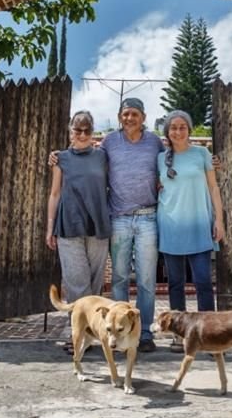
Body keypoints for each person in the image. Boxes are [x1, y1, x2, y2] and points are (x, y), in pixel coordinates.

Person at [156, 109, 225, 352]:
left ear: (190, 129)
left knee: (204, 282)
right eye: (173, 127)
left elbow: (214, 188)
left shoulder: (202, 153)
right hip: (170, 225)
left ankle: (210, 334)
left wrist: (219, 221)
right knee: (175, 283)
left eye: (182, 126)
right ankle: (180, 334)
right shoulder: (160, 158)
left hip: (199, 224)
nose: (177, 131)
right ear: (167, 131)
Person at [101, 98, 165, 353]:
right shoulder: (108, 141)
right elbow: (90, 162)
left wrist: (210, 162)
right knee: (119, 277)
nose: (129, 118)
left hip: (149, 217)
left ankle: (145, 331)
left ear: (143, 116)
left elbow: (172, 163)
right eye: (125, 114)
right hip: (118, 218)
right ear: (119, 117)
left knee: (147, 279)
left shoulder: (154, 142)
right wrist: (58, 156)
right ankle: (118, 330)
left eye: (134, 114)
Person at [46, 110, 110, 354]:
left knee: (94, 284)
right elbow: (55, 193)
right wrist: (49, 227)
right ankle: (78, 336)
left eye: (87, 130)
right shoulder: (61, 158)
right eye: (77, 129)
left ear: (93, 132)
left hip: (98, 225)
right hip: (69, 225)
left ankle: (92, 334)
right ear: (70, 131)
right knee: (77, 283)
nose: (82, 134)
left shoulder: (103, 157)